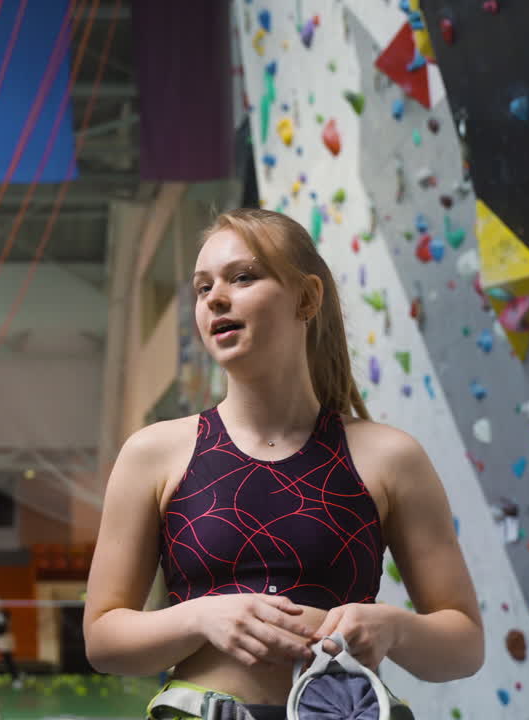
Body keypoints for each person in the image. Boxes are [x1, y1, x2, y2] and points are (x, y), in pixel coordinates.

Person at [83, 209, 483, 719]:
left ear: (307, 298)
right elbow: (103, 638)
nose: (215, 298)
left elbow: (465, 644)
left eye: (242, 277)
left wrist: (392, 627)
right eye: (203, 288)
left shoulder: (389, 456)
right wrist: (200, 617)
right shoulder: (154, 453)